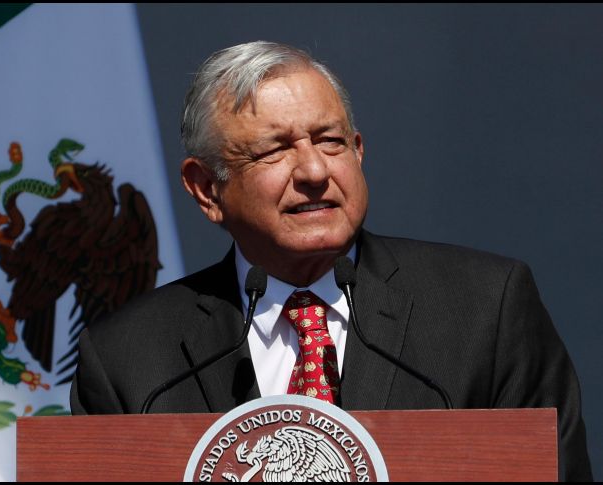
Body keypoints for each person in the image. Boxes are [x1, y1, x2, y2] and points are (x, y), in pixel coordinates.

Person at [70, 41, 591, 481]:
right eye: (274, 151)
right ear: (207, 189)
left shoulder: (485, 309)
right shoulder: (127, 360)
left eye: (331, 141)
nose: (315, 170)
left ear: (358, 152)